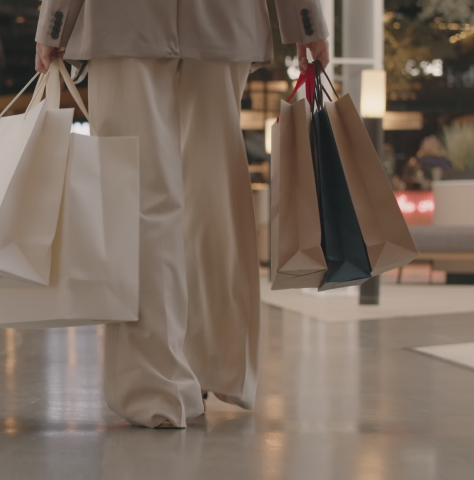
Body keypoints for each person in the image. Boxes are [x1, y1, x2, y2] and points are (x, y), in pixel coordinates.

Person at [34, 1, 330, 429]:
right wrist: (305, 19)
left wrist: (55, 20)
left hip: (124, 21)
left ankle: (158, 387)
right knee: (214, 193)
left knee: (137, 196)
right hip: (223, 19)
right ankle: (212, 362)